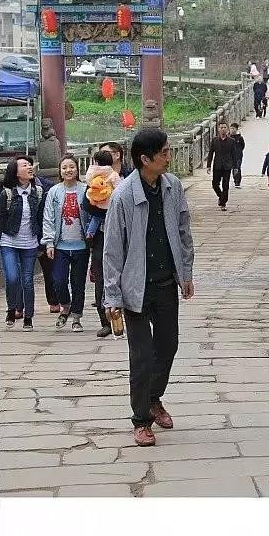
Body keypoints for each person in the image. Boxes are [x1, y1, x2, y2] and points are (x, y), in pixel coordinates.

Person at [103, 127, 194, 447]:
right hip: (135, 288)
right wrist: (112, 295)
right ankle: (141, 419)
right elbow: (112, 249)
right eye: (164, 152)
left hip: (166, 282)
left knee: (168, 346)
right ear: (145, 159)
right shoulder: (123, 196)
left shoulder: (173, 186)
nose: (169, 157)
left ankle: (154, 398)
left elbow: (183, 230)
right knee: (141, 356)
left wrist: (186, 273)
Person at [86, 142, 130, 335]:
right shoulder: (95, 176)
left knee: (127, 273)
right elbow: (86, 204)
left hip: (126, 232)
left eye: (107, 153)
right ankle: (105, 320)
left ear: (118, 155)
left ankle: (128, 316)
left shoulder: (129, 176)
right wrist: (98, 202)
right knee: (101, 275)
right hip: (102, 233)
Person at [42, 155, 90, 333]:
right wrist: (49, 243)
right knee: (58, 280)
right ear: (60, 171)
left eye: (71, 167)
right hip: (60, 246)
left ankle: (76, 317)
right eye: (64, 168)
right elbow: (48, 217)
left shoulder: (86, 190)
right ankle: (66, 306)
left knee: (78, 283)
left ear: (77, 169)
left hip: (81, 246)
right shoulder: (54, 191)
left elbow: (92, 214)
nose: (68, 170)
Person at [0, 156, 47, 330]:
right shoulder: (7, 194)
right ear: (16, 171)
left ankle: (28, 317)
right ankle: (12, 308)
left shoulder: (38, 192)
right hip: (9, 241)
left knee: (27, 281)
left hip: (30, 243)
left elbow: (41, 218)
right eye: (24, 165)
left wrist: (43, 242)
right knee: (12, 278)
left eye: (29, 164)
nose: (29, 167)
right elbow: (0, 218)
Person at [85, 150, 121, 240]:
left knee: (96, 218)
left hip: (95, 201)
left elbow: (89, 182)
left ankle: (90, 232)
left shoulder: (93, 173)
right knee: (109, 220)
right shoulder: (113, 174)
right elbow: (119, 188)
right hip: (109, 203)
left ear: (97, 162)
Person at [206, 122, 238, 211]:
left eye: (224, 127)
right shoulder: (215, 140)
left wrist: (235, 167)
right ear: (218, 129)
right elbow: (210, 153)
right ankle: (221, 197)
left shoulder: (231, 141)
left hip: (227, 166)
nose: (223, 129)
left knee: (225, 185)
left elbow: (234, 155)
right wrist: (208, 165)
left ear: (227, 129)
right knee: (215, 184)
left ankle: (223, 203)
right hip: (217, 165)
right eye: (221, 127)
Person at [229, 123, 245, 188]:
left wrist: (238, 151)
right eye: (231, 128)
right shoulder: (228, 137)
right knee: (231, 168)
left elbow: (242, 146)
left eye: (233, 128)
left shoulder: (240, 138)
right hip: (230, 156)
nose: (232, 130)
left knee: (237, 168)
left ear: (237, 129)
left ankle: (237, 182)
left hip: (238, 156)